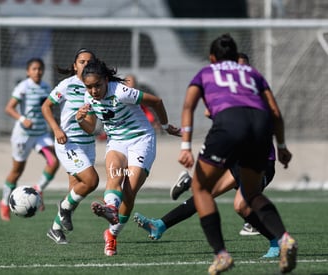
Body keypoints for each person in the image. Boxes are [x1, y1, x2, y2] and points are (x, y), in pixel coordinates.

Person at [178, 33, 297, 274]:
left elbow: (189, 106)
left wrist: (185, 146)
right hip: (260, 126)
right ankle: (284, 238)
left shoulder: (206, 73)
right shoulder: (253, 74)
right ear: (235, 56)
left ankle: (221, 254)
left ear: (212, 57)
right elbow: (274, 111)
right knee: (251, 192)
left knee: (200, 188)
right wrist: (282, 146)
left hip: (230, 123)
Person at [75, 59, 180, 256]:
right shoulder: (88, 98)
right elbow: (92, 129)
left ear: (106, 80)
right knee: (115, 177)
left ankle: (112, 233)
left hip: (141, 140)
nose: (93, 91)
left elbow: (156, 102)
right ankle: (111, 209)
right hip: (116, 142)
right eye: (88, 87)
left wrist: (166, 127)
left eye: (97, 85)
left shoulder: (121, 92)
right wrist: (80, 119)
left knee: (129, 192)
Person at [169, 52, 263, 237]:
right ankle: (265, 233)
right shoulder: (228, 88)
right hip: (232, 144)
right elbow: (205, 110)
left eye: (243, 65)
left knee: (227, 192)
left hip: (241, 146)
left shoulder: (252, 86)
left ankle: (252, 225)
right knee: (236, 192)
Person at [134, 147, 280, 258]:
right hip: (239, 162)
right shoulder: (225, 115)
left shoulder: (248, 111)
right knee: (203, 194)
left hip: (260, 161)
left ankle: (275, 240)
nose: (206, 112)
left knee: (240, 205)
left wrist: (281, 146)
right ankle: (160, 225)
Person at [41, 48, 99, 244]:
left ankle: (55, 228)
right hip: (68, 143)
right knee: (91, 181)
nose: (85, 64)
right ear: (75, 66)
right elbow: (46, 106)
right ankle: (63, 208)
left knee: (76, 190)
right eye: (81, 61)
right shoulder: (67, 85)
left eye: (89, 62)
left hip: (87, 144)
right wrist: (57, 130)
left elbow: (92, 126)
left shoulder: (97, 87)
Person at [0, 57, 60, 222]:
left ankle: (38, 188)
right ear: (28, 71)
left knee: (54, 161)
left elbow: (49, 108)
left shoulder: (47, 88)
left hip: (40, 134)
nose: (37, 71)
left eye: (40, 69)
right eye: (34, 69)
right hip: (23, 135)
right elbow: (9, 108)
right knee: (17, 171)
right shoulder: (23, 87)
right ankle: (4, 202)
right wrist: (22, 119)